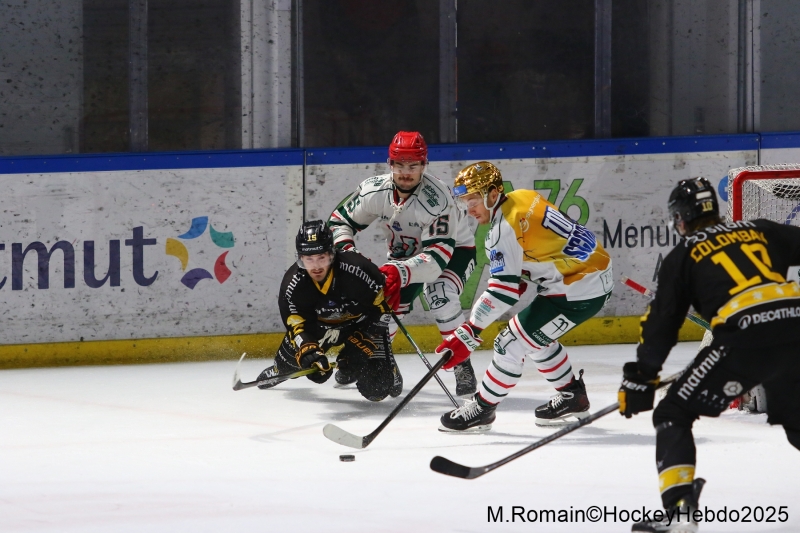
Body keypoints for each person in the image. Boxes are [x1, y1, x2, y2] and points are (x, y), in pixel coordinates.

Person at [618, 177, 800, 532]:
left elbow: (661, 325)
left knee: (673, 411)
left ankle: (679, 511)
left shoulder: (683, 254)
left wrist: (641, 378)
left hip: (742, 338)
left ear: (681, 219)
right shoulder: (760, 230)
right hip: (796, 327)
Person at [436, 161, 614, 431]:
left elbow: (502, 291)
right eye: (465, 201)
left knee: (509, 342)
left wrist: (469, 331)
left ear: (493, 195)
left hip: (578, 290)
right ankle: (573, 396)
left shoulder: (502, 229)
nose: (469, 209)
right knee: (534, 337)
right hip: (587, 273)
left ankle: (483, 409)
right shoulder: (523, 197)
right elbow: (541, 245)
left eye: (473, 200)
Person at [328, 131, 479, 397]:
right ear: (390, 164)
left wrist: (398, 270)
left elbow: (434, 263)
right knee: (384, 308)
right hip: (405, 255)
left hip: (453, 252)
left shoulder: (438, 200)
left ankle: (462, 364)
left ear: (424, 165)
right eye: (399, 165)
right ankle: (379, 362)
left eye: (413, 166)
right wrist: (350, 254)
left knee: (440, 294)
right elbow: (339, 222)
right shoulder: (375, 190)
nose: (405, 172)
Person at [257, 220, 402, 402]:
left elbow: (382, 309)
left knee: (378, 388)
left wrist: (363, 343)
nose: (316, 266)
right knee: (292, 363)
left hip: (359, 325)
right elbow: (296, 327)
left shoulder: (359, 270)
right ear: (300, 258)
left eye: (321, 258)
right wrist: (310, 352)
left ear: (331, 254)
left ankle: (381, 364)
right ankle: (279, 370)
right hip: (319, 327)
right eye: (309, 259)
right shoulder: (292, 285)